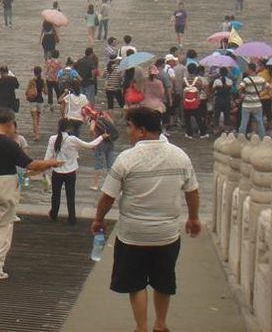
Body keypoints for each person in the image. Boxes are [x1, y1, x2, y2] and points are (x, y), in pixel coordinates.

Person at [91, 107, 201, 332]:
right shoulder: (180, 156)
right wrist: (193, 218)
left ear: (141, 131)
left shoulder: (126, 159)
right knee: (163, 281)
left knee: (136, 283)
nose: (127, 132)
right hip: (167, 235)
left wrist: (98, 219)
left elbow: (107, 197)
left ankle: (141, 327)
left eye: (129, 127)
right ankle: (160, 325)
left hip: (133, 234)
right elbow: (192, 191)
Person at [0, 108, 61, 279]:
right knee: (4, 226)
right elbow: (30, 165)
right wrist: (51, 163)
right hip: (5, 185)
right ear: (9, 123)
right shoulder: (9, 144)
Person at [44, 118, 105, 224]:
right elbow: (89, 145)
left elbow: (48, 155)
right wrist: (101, 137)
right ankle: (72, 218)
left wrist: (44, 169)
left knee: (55, 195)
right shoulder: (72, 139)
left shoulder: (52, 139)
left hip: (57, 171)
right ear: (68, 128)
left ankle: (54, 214)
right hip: (70, 171)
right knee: (70, 195)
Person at [238, 64, 267, 138]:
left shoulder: (246, 79)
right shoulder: (261, 79)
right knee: (260, 122)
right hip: (257, 104)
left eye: (247, 68)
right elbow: (268, 87)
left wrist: (241, 94)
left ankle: (241, 138)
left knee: (244, 122)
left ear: (250, 69)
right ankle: (262, 138)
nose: (246, 70)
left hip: (247, 104)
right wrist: (261, 93)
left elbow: (239, 88)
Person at [26, 67, 45, 141]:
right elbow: (46, 92)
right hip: (40, 101)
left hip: (33, 101)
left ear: (34, 72)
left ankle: (36, 134)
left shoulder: (32, 81)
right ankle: (36, 131)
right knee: (38, 117)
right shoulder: (43, 81)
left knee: (34, 118)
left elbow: (27, 91)